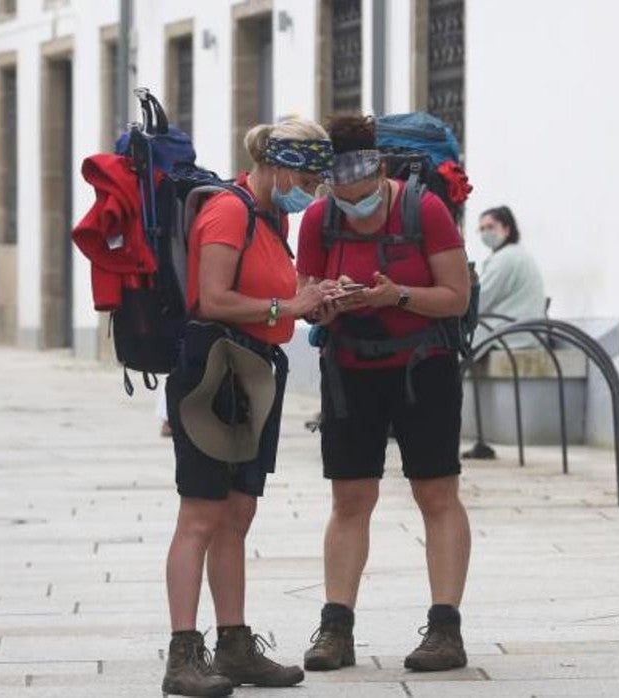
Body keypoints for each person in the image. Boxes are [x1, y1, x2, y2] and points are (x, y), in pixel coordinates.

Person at [160, 116, 331, 697]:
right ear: (277, 165)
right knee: (200, 514)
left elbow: (265, 298)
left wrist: (308, 304)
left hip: (253, 369)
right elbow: (213, 298)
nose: (312, 189)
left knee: (236, 515)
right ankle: (183, 655)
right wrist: (290, 304)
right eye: (307, 175)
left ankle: (234, 645)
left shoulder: (270, 215)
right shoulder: (229, 211)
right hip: (215, 372)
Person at [296, 115, 473, 673]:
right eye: (342, 198)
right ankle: (335, 628)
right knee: (350, 499)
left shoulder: (426, 210)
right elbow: (304, 294)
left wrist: (397, 296)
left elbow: (455, 298)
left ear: (379, 175)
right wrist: (327, 300)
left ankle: (445, 628)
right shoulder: (321, 220)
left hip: (425, 368)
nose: (356, 207)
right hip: (350, 368)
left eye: (364, 196)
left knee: (435, 493)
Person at [477, 205, 546, 329]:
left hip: (511, 333)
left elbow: (480, 299)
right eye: (482, 229)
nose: (485, 233)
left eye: (490, 227)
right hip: (524, 328)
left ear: (507, 229)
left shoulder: (505, 258)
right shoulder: (516, 253)